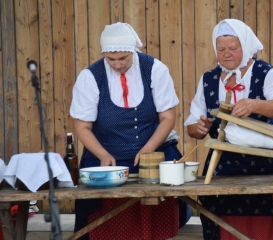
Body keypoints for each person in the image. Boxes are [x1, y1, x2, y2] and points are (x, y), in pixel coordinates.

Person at [184, 19, 273, 240]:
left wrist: (255, 104)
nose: (227, 53)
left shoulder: (265, 72)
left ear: (245, 47)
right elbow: (192, 127)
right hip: (226, 169)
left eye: (233, 48)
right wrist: (200, 127)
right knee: (222, 214)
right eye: (221, 49)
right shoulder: (208, 80)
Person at [70, 22, 189, 240]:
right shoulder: (90, 77)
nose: (117, 64)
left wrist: (149, 150)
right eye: (111, 59)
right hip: (107, 157)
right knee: (100, 221)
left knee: (157, 211)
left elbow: (168, 117)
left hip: (153, 155)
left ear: (133, 50)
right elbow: (82, 126)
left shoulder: (154, 69)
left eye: (123, 58)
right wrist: (102, 154)